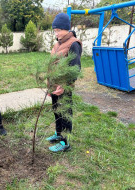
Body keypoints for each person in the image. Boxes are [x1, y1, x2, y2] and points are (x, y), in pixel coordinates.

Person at [46, 13, 82, 152]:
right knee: (56, 110)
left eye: (58, 30)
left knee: (65, 113)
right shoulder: (57, 44)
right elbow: (52, 65)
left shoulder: (74, 44)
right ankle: (58, 134)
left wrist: (65, 86)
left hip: (64, 87)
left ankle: (65, 142)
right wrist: (50, 87)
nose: (56, 33)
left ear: (66, 29)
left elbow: (75, 69)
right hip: (54, 86)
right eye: (55, 30)